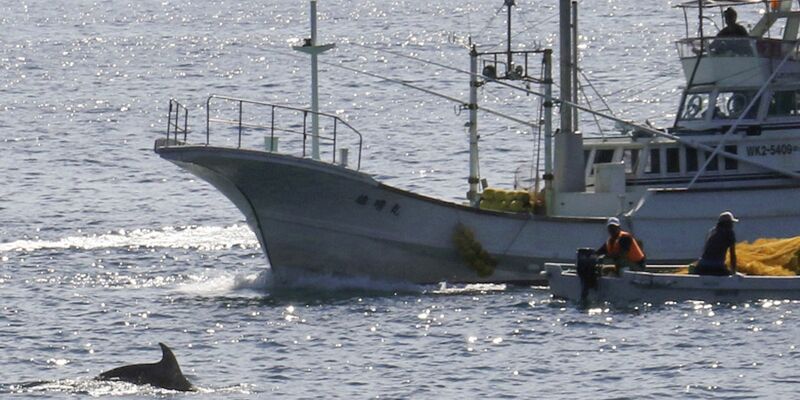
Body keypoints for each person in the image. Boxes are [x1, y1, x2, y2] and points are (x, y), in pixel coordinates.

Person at [695, 211, 738, 276]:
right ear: (728, 223)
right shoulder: (729, 233)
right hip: (716, 266)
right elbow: (732, 254)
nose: (732, 225)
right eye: (731, 223)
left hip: (701, 265)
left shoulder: (712, 231)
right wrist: (734, 272)